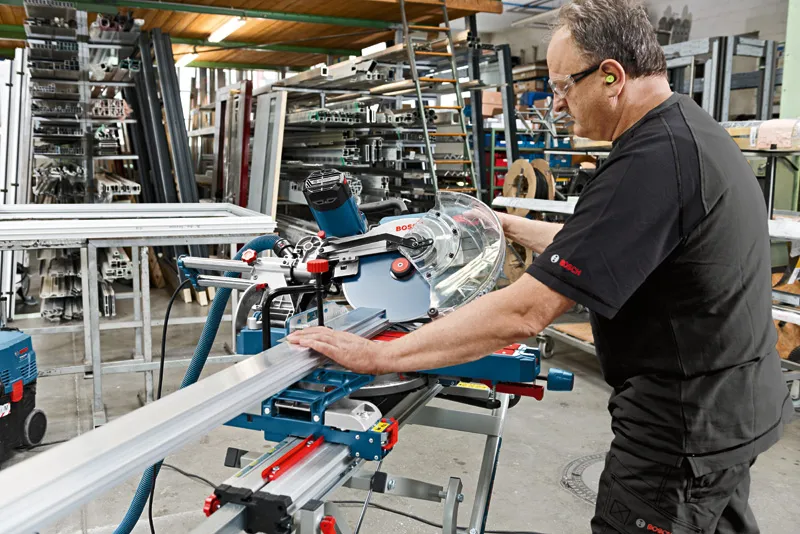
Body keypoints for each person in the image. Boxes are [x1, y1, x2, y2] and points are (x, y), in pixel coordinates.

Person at [288, 0, 793, 532]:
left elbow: (525, 312)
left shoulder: (648, 162)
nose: (557, 105)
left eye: (562, 87)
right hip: (733, 412)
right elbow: (616, 246)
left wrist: (377, 356)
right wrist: (501, 225)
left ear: (611, 77)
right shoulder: (689, 131)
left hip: (680, 430)